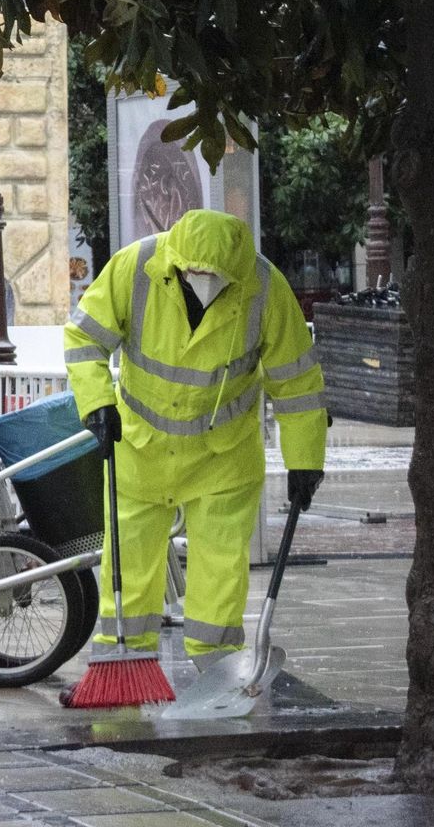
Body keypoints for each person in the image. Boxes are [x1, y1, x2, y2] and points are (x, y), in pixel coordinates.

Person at [63, 209, 326, 674]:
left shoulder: (264, 288)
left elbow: (297, 382)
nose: (202, 280)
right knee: (130, 563)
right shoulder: (136, 268)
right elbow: (84, 336)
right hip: (141, 450)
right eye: (193, 272)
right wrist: (96, 401)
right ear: (176, 258)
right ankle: (120, 663)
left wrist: (305, 460)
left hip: (221, 459)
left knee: (220, 569)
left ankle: (219, 667)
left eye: (214, 275)